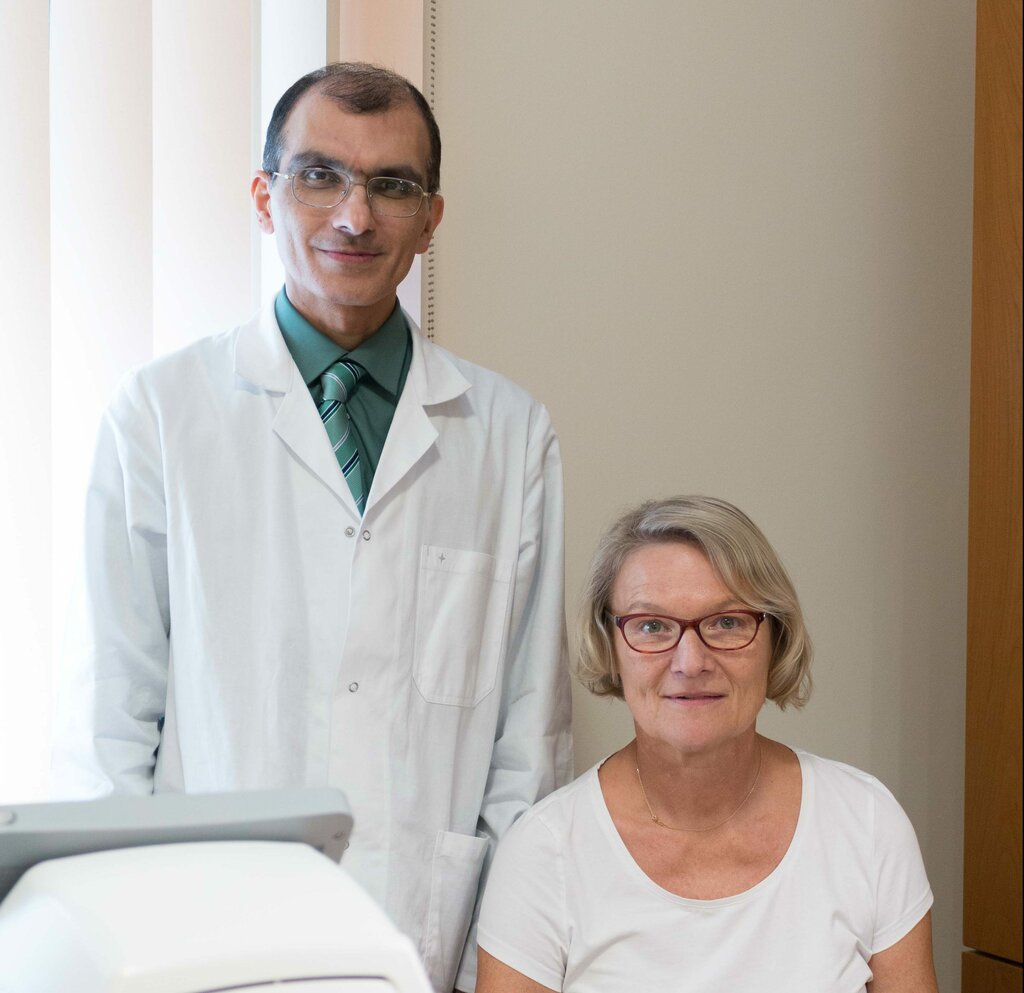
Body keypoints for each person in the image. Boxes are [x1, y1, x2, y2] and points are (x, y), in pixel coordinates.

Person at [51, 63, 572, 993]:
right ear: (265, 197)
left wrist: (493, 969)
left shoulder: (509, 433)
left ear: (430, 219)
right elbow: (109, 725)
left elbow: (530, 743)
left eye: (391, 185)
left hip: (422, 942)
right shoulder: (161, 414)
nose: (354, 217)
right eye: (320, 175)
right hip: (199, 939)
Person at [476, 496, 939, 993]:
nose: (691, 662)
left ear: (775, 638)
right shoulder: (544, 852)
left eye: (727, 622)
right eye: (652, 626)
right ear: (609, 646)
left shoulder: (865, 822)